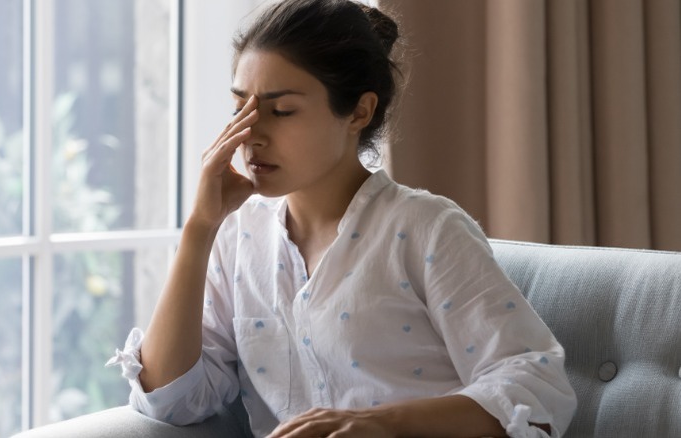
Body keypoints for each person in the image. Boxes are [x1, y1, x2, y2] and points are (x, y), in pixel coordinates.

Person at [107, 0, 577, 436]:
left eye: (281, 110)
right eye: (239, 108)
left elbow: (535, 385)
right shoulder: (238, 237)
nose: (250, 133)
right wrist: (198, 229)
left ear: (358, 111)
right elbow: (171, 400)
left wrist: (382, 425)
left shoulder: (426, 230)